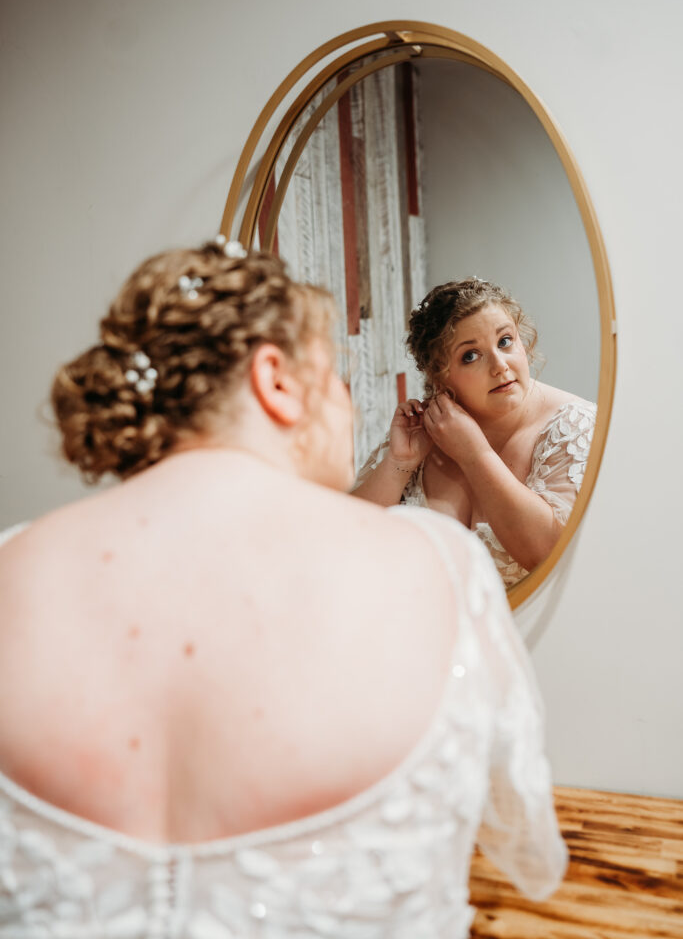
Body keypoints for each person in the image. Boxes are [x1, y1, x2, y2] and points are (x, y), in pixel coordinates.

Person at [0, 242, 566, 938]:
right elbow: (530, 859)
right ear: (275, 380)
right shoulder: (436, 564)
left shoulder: (11, 562)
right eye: (334, 377)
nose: (344, 403)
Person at [353, 278, 596, 588]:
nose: (500, 366)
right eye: (470, 356)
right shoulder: (427, 428)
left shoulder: (574, 427)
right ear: (440, 377)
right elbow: (349, 536)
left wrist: (474, 455)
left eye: (505, 341)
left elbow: (549, 556)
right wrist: (399, 462)